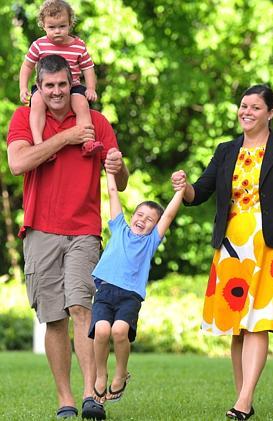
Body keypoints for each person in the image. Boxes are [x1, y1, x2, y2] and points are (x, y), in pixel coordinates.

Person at [171, 84, 273, 420]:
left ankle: (243, 402)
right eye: (243, 106)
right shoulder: (225, 150)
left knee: (257, 324)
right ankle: (243, 402)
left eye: (254, 107)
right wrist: (184, 187)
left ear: (271, 113)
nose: (246, 112)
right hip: (232, 246)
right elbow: (200, 193)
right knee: (238, 327)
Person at [7, 54, 129, 420]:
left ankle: (91, 394)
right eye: (49, 86)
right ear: (39, 88)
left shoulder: (96, 122)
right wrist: (66, 138)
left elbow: (120, 180)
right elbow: (18, 163)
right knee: (53, 318)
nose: (57, 92)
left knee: (82, 308)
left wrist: (118, 165)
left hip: (84, 230)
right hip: (40, 229)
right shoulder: (24, 118)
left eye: (63, 84)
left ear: (71, 82)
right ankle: (66, 401)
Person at [88, 163, 184, 407]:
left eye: (150, 219)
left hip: (129, 296)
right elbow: (112, 193)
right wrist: (109, 170)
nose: (143, 220)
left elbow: (170, 214)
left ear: (155, 226)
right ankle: (101, 374)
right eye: (140, 215)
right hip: (105, 291)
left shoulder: (150, 242)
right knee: (100, 331)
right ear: (132, 217)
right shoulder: (119, 227)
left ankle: (121, 373)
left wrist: (181, 191)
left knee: (120, 331)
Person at [19, 0, 102, 158]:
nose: (57, 31)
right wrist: (23, 88)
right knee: (36, 102)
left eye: (62, 26)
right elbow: (27, 66)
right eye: (51, 27)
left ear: (70, 24)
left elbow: (88, 68)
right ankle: (39, 144)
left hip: (73, 86)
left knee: (82, 104)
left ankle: (87, 142)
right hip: (46, 87)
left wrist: (90, 88)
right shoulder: (39, 45)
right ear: (43, 25)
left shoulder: (78, 45)